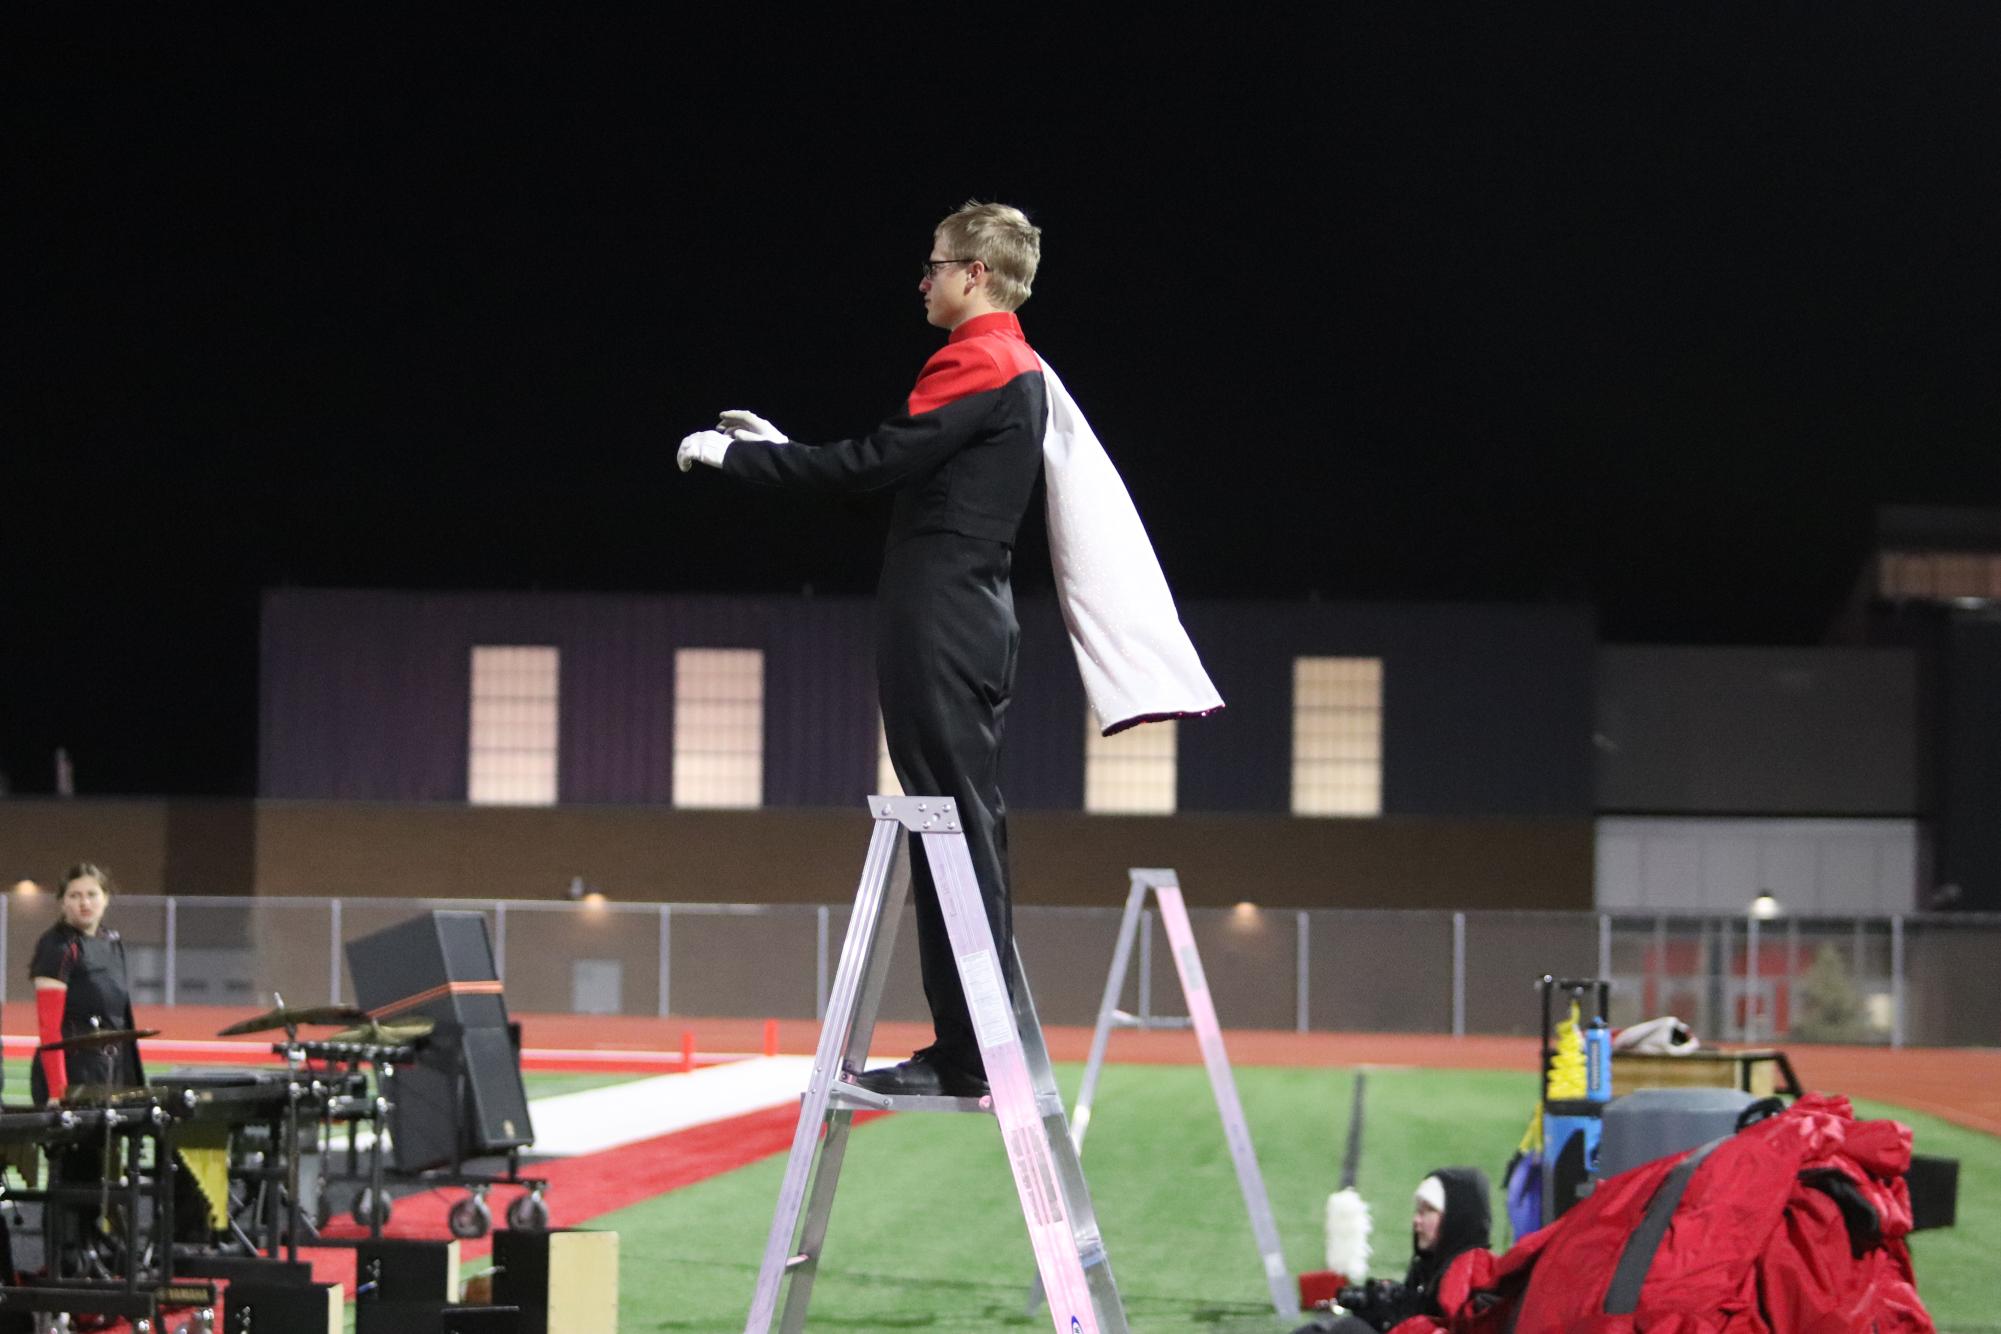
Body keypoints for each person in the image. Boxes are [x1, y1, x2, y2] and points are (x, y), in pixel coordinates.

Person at [679, 201, 1219, 1098]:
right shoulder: (1013, 365)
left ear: (975, 274)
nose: (922, 279)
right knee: (957, 825)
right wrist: (783, 449)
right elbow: (888, 475)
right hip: (962, 615)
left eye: (933, 263)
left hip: (942, 618)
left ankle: (969, 1054)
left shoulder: (981, 356)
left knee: (952, 829)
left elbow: (865, 466)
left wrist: (744, 465)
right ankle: (973, 1043)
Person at [1299, 1168, 1492, 1334]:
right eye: (1418, 1210)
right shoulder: (1430, 1267)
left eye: (1428, 1210)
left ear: (1457, 1217)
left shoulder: (1470, 1272)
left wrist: (1391, 1315)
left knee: (1348, 1329)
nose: (1417, 1220)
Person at [31, 862, 145, 1105]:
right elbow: (49, 1028)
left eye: (92, 894)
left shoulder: (112, 941)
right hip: (73, 1076)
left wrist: (130, 1081)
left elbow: (120, 1019)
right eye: (75, 896)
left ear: (106, 899)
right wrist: (57, 1091)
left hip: (110, 1072)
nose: (85, 903)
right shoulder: (57, 946)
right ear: (63, 902)